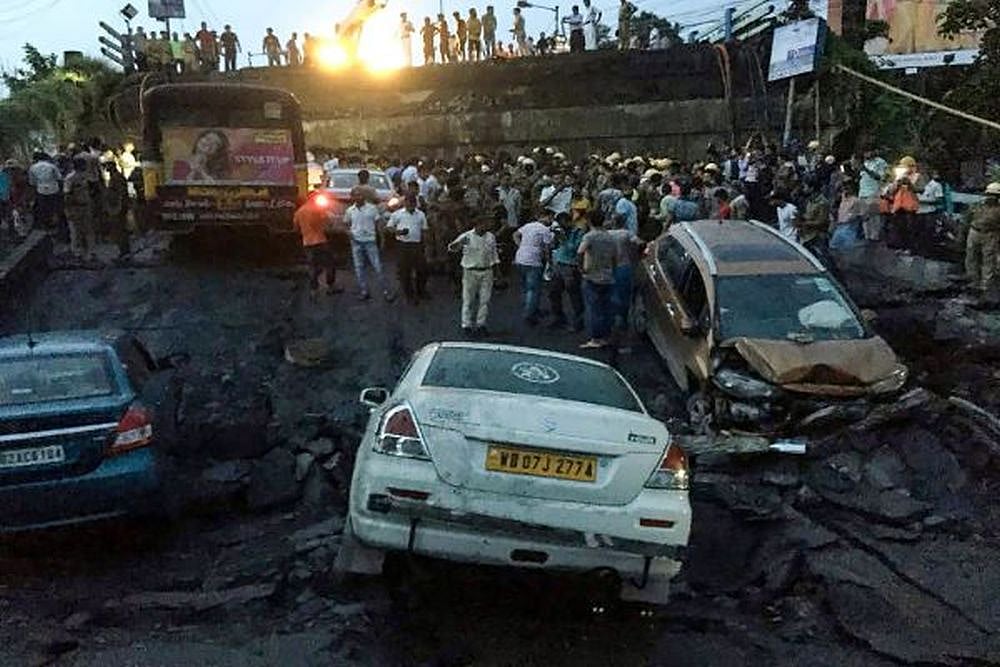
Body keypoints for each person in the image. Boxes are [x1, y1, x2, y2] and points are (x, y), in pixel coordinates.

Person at [449, 215, 500, 336]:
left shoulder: (491, 237)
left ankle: (481, 324)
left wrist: (497, 273)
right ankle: (466, 324)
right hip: (470, 271)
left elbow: (494, 255)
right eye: (483, 224)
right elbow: (452, 248)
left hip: (487, 271)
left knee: (485, 300)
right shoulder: (466, 236)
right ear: (476, 225)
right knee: (468, 299)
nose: (486, 226)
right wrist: (459, 244)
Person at [344, 190, 393, 301]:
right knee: (359, 268)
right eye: (356, 195)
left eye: (360, 194)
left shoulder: (372, 208)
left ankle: (386, 291)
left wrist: (382, 238)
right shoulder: (350, 211)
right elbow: (346, 224)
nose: (358, 197)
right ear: (352, 197)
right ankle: (364, 291)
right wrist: (349, 233)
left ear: (364, 197)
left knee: (378, 267)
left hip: (370, 241)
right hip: (356, 242)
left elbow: (379, 224)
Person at [578, 211, 617, 349]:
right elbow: (615, 257)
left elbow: (580, 252)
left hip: (592, 276)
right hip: (608, 276)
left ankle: (595, 338)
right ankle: (606, 336)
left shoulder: (589, 236)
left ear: (590, 222)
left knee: (594, 309)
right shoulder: (610, 237)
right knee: (606, 309)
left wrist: (581, 269)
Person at [294, 192, 342, 297]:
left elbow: (296, 228)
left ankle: (313, 290)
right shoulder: (318, 210)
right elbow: (329, 223)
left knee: (312, 266)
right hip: (320, 241)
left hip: (307, 242)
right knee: (330, 263)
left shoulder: (299, 212)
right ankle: (331, 286)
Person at [513, 210, 554, 325]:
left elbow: (515, 234)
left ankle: (530, 308)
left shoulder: (528, 225)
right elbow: (547, 248)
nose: (551, 221)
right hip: (533, 260)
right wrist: (549, 262)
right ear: (545, 217)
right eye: (550, 218)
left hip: (520, 258)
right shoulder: (545, 230)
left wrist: (520, 245)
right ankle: (529, 314)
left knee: (525, 287)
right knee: (533, 289)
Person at [387, 194, 429, 303]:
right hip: (403, 244)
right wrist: (399, 232)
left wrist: (426, 245)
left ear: (415, 204)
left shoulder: (421, 215)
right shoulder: (397, 214)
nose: (410, 205)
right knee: (405, 271)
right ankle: (409, 294)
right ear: (405, 203)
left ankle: (421, 291)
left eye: (412, 203)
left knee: (422, 269)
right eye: (408, 203)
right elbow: (389, 228)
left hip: (417, 245)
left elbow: (424, 230)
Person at [548, 211, 586, 331]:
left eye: (563, 223)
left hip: (571, 265)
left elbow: (575, 249)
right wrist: (555, 238)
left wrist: (564, 239)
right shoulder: (560, 231)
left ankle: (578, 321)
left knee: (574, 294)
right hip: (559, 263)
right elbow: (554, 246)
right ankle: (558, 317)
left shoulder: (579, 233)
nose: (562, 226)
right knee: (554, 292)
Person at [965, 182, 1000, 299]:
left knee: (988, 261)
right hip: (974, 231)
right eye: (990, 194)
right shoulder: (977, 205)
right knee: (971, 257)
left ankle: (986, 288)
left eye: (994, 195)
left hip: (991, 234)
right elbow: (967, 218)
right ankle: (973, 283)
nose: (991, 197)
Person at [63, 156, 95, 261]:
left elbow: (91, 189)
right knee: (76, 232)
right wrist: (69, 210)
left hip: (86, 206)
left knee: (88, 230)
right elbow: (67, 195)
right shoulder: (70, 178)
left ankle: (90, 252)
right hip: (75, 207)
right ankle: (78, 254)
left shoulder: (87, 176)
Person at [858, 148, 888, 242]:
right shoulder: (865, 163)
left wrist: (866, 169)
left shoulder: (880, 162)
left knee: (873, 215)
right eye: (865, 152)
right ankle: (867, 236)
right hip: (862, 192)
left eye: (868, 151)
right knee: (864, 216)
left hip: (873, 192)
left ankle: (875, 237)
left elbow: (879, 177)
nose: (866, 154)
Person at [27, 152, 62, 232]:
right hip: (54, 190)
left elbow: (32, 182)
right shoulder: (52, 166)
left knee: (44, 209)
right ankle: (57, 226)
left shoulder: (32, 168)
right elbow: (59, 178)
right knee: (54, 208)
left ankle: (47, 227)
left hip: (41, 191)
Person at [102, 161, 130, 259]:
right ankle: (123, 251)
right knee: (119, 230)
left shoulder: (117, 178)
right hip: (116, 207)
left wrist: (120, 206)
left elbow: (121, 193)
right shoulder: (114, 177)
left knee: (120, 230)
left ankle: (124, 251)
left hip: (118, 207)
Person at [831, 181, 864, 250]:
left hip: (849, 228)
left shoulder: (857, 201)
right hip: (839, 226)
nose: (845, 188)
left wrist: (853, 218)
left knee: (847, 250)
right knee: (834, 248)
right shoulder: (843, 198)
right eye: (844, 187)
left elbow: (863, 216)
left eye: (848, 186)